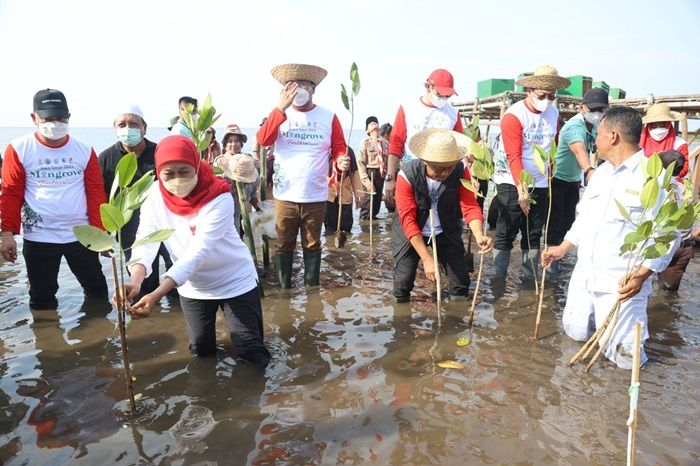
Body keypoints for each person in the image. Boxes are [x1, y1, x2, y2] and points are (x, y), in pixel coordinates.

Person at [542, 107, 679, 369]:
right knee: (574, 337)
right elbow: (584, 218)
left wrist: (641, 275)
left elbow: (667, 233)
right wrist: (563, 247)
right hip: (584, 277)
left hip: (620, 286)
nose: (595, 140)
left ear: (613, 136)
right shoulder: (600, 175)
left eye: (599, 133)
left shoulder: (654, 178)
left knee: (626, 360)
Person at [124, 135, 271, 366]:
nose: (176, 180)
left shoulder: (219, 195)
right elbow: (146, 239)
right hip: (193, 286)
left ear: (196, 165)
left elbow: (198, 251)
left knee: (250, 349)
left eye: (184, 171)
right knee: (201, 351)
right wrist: (136, 280)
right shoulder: (153, 195)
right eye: (168, 174)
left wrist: (156, 294)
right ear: (158, 173)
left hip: (234, 280)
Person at [0, 89, 108, 309]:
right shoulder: (19, 148)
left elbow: (96, 193)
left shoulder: (84, 150)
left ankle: (101, 337)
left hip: (81, 235)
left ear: (69, 116)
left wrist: (101, 233)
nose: (55, 123)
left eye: (61, 118)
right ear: (34, 118)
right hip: (40, 237)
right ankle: (46, 342)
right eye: (48, 118)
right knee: (41, 296)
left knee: (97, 289)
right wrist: (7, 233)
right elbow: (11, 193)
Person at [256, 63, 349, 288]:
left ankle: (312, 291)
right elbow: (263, 140)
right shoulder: (280, 115)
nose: (298, 90)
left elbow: (338, 147)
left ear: (313, 89)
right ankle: (284, 292)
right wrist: (279, 108)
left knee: (312, 244)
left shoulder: (329, 116)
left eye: (304, 85)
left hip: (315, 195)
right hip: (285, 195)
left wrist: (339, 159)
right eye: (292, 85)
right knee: (284, 245)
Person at [392, 129, 492, 303]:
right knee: (403, 283)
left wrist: (478, 234)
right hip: (412, 230)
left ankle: (455, 320)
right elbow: (408, 220)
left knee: (460, 286)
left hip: (446, 227)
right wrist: (427, 259)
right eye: (438, 169)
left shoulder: (460, 170)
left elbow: (469, 204)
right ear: (425, 161)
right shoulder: (406, 175)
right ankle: (401, 319)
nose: (445, 173)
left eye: (449, 167)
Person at [491, 65, 570, 280]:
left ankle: (529, 281)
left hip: (541, 183)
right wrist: (521, 189)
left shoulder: (553, 113)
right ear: (529, 91)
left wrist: (551, 179)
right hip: (511, 181)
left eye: (551, 96)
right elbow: (513, 156)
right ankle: (497, 280)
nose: (546, 100)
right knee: (506, 231)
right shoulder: (514, 116)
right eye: (542, 95)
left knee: (534, 233)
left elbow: (551, 148)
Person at [98, 105, 174, 296]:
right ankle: (148, 323)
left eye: (133, 124)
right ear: (115, 129)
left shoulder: (159, 152)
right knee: (140, 283)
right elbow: (103, 198)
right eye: (122, 124)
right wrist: (105, 235)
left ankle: (179, 320)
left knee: (176, 276)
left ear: (144, 128)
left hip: (165, 225)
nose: (127, 128)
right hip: (129, 230)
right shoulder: (107, 158)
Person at [545, 88, 609, 278]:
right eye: (593, 109)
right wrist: (589, 171)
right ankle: (550, 270)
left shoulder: (597, 125)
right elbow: (580, 151)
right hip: (557, 181)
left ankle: (559, 259)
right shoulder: (575, 127)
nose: (596, 113)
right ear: (582, 108)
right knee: (555, 225)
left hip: (573, 182)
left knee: (569, 224)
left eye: (600, 109)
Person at [385, 69, 464, 206]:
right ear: (429, 87)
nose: (444, 99)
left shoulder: (453, 113)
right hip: (413, 173)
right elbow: (395, 145)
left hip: (443, 176)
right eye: (440, 94)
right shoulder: (408, 109)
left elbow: (461, 147)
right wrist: (390, 178)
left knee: (444, 222)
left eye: (448, 96)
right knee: (409, 219)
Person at [657, 150, 694, 291]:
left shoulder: (659, 187)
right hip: (684, 248)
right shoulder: (687, 187)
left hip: (665, 245)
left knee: (643, 286)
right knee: (668, 292)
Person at [640, 103, 689, 179]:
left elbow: (684, 168)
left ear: (669, 124)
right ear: (648, 126)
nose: (658, 129)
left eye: (662, 125)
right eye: (654, 126)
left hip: (670, 181)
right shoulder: (638, 143)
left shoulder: (680, 143)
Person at [325, 147, 363, 234]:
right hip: (328, 193)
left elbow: (354, 173)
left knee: (346, 224)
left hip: (345, 191)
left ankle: (346, 244)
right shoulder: (324, 149)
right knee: (329, 226)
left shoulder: (348, 150)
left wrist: (358, 194)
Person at [357, 116, 389, 220]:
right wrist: (366, 181)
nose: (374, 125)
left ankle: (374, 224)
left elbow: (389, 159)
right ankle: (365, 226)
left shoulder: (385, 143)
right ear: (367, 130)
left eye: (375, 123)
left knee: (377, 201)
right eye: (371, 124)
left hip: (381, 173)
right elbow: (360, 162)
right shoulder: (365, 143)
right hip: (370, 172)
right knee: (367, 201)